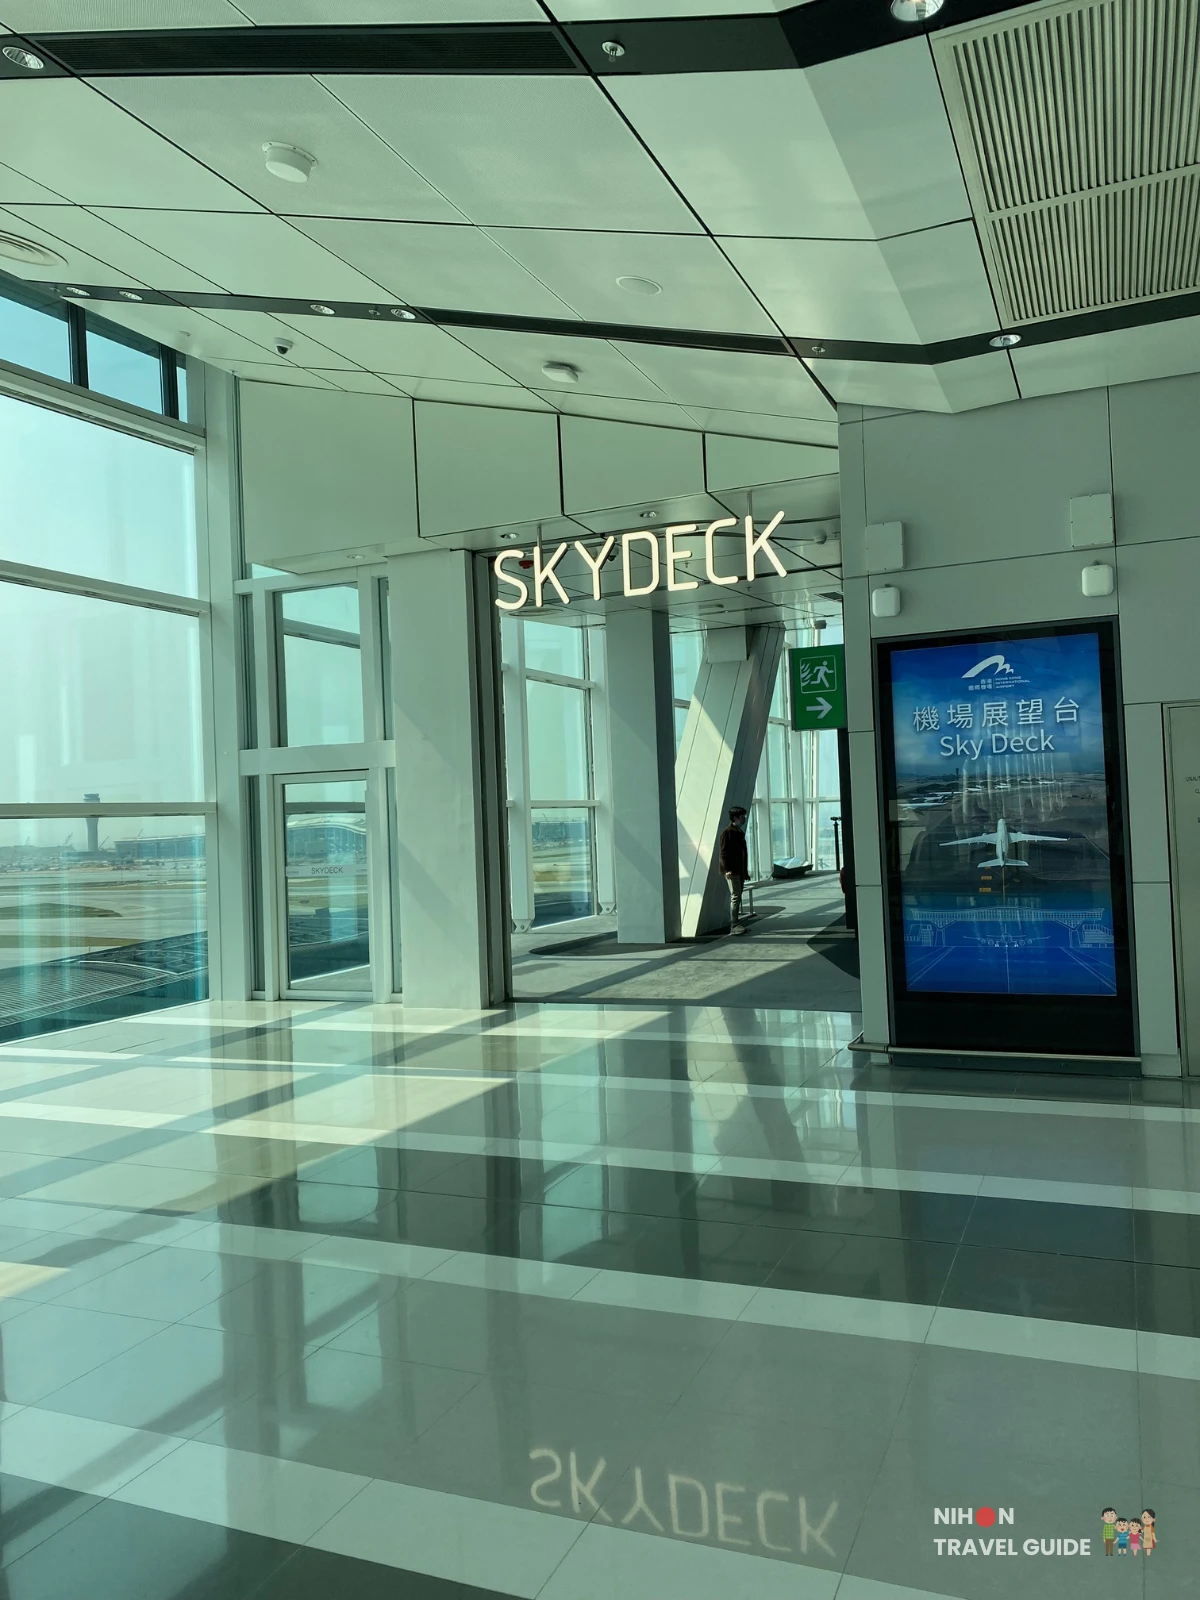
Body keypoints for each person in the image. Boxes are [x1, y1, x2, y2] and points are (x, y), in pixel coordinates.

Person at [719, 806, 750, 934]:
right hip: (733, 871)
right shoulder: (728, 833)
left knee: (737, 895)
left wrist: (745, 872)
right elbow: (724, 853)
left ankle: (736, 923)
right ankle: (734, 924)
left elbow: (743, 853)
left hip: (739, 870)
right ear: (736, 818)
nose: (744, 818)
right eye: (742, 816)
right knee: (735, 896)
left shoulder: (738, 832)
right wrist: (727, 870)